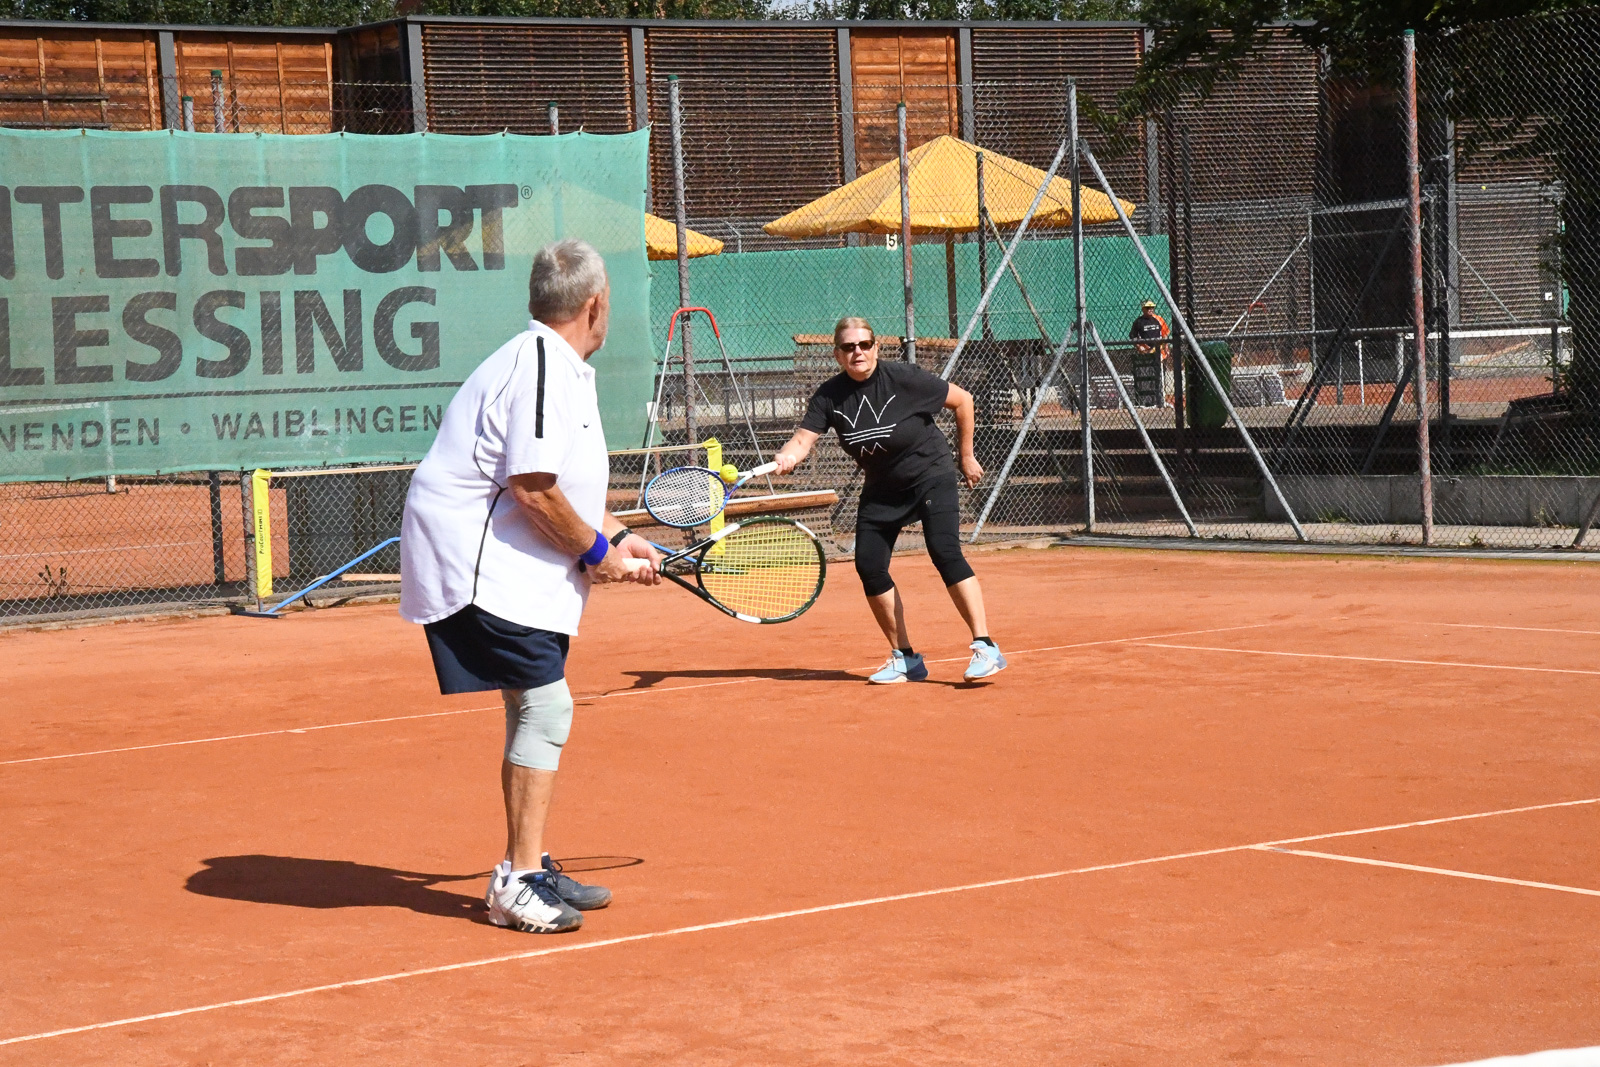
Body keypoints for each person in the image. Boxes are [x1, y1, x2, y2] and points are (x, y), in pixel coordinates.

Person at [399, 238, 662, 935]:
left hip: (504, 563)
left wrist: (616, 529)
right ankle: (516, 882)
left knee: (531, 704)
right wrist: (599, 553)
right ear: (596, 304)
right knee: (547, 707)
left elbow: (559, 477)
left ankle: (528, 862)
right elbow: (534, 488)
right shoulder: (543, 367)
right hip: (475, 565)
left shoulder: (557, 366)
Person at [773, 317, 1006, 684]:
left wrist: (966, 456)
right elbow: (802, 440)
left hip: (930, 474)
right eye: (849, 347)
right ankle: (906, 658)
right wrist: (787, 457)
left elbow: (963, 401)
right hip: (882, 487)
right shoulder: (828, 396)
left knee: (944, 550)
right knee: (868, 565)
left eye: (865, 345)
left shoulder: (904, 378)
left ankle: (985, 645)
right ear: (837, 354)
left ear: (876, 348)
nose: (858, 352)